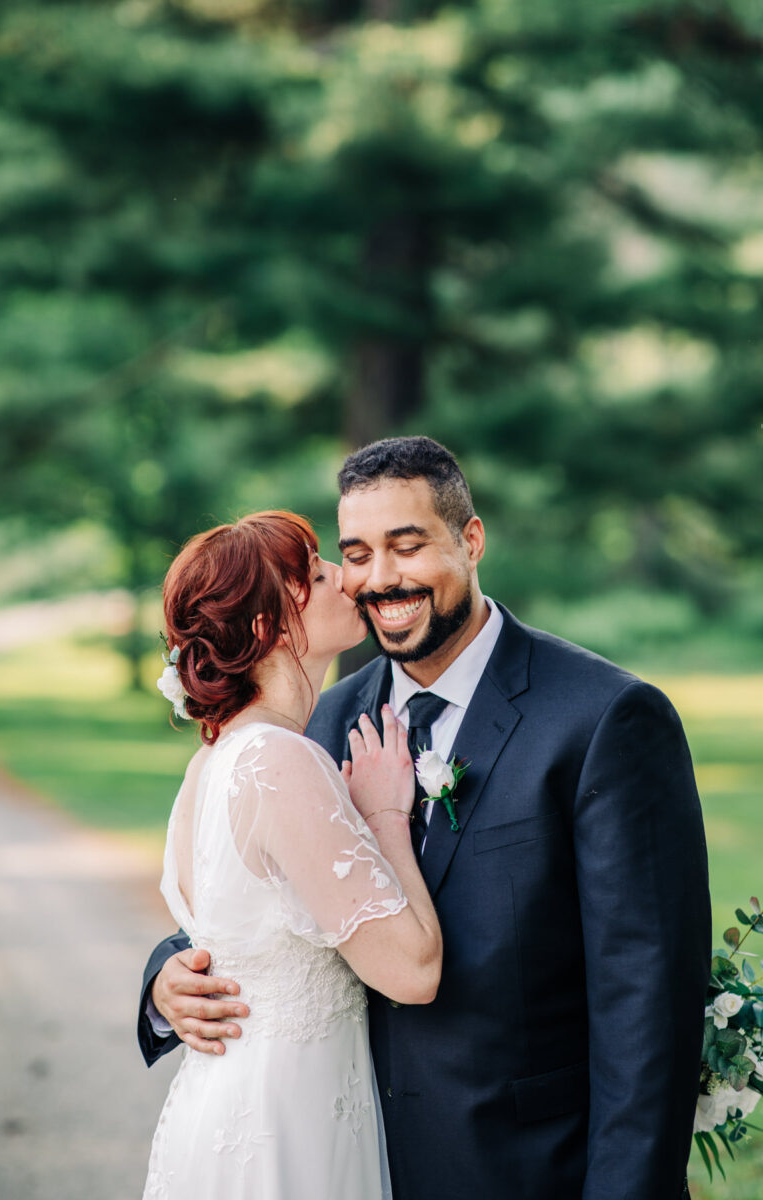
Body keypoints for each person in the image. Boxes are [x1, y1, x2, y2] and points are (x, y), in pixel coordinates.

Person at [140, 438, 711, 1200]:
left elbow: (647, 1000)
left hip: (523, 1169)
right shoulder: (316, 725)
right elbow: (263, 906)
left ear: (470, 541)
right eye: (356, 554)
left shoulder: (604, 720)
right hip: (340, 1159)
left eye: (406, 548)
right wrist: (165, 984)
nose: (380, 579)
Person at [141, 510, 442, 1200]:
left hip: (224, 1109)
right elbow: (412, 971)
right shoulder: (279, 762)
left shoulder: (210, 764)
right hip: (286, 1130)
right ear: (264, 627)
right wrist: (387, 816)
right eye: (315, 574)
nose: (346, 578)